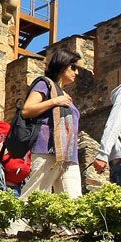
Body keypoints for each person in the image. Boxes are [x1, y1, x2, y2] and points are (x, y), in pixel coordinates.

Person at [17, 48, 84, 199]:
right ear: (62, 65)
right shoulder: (44, 84)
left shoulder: (64, 94)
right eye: (73, 67)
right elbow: (26, 110)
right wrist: (55, 101)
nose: (77, 72)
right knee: (33, 198)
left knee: (73, 203)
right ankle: (16, 224)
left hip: (69, 155)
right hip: (47, 150)